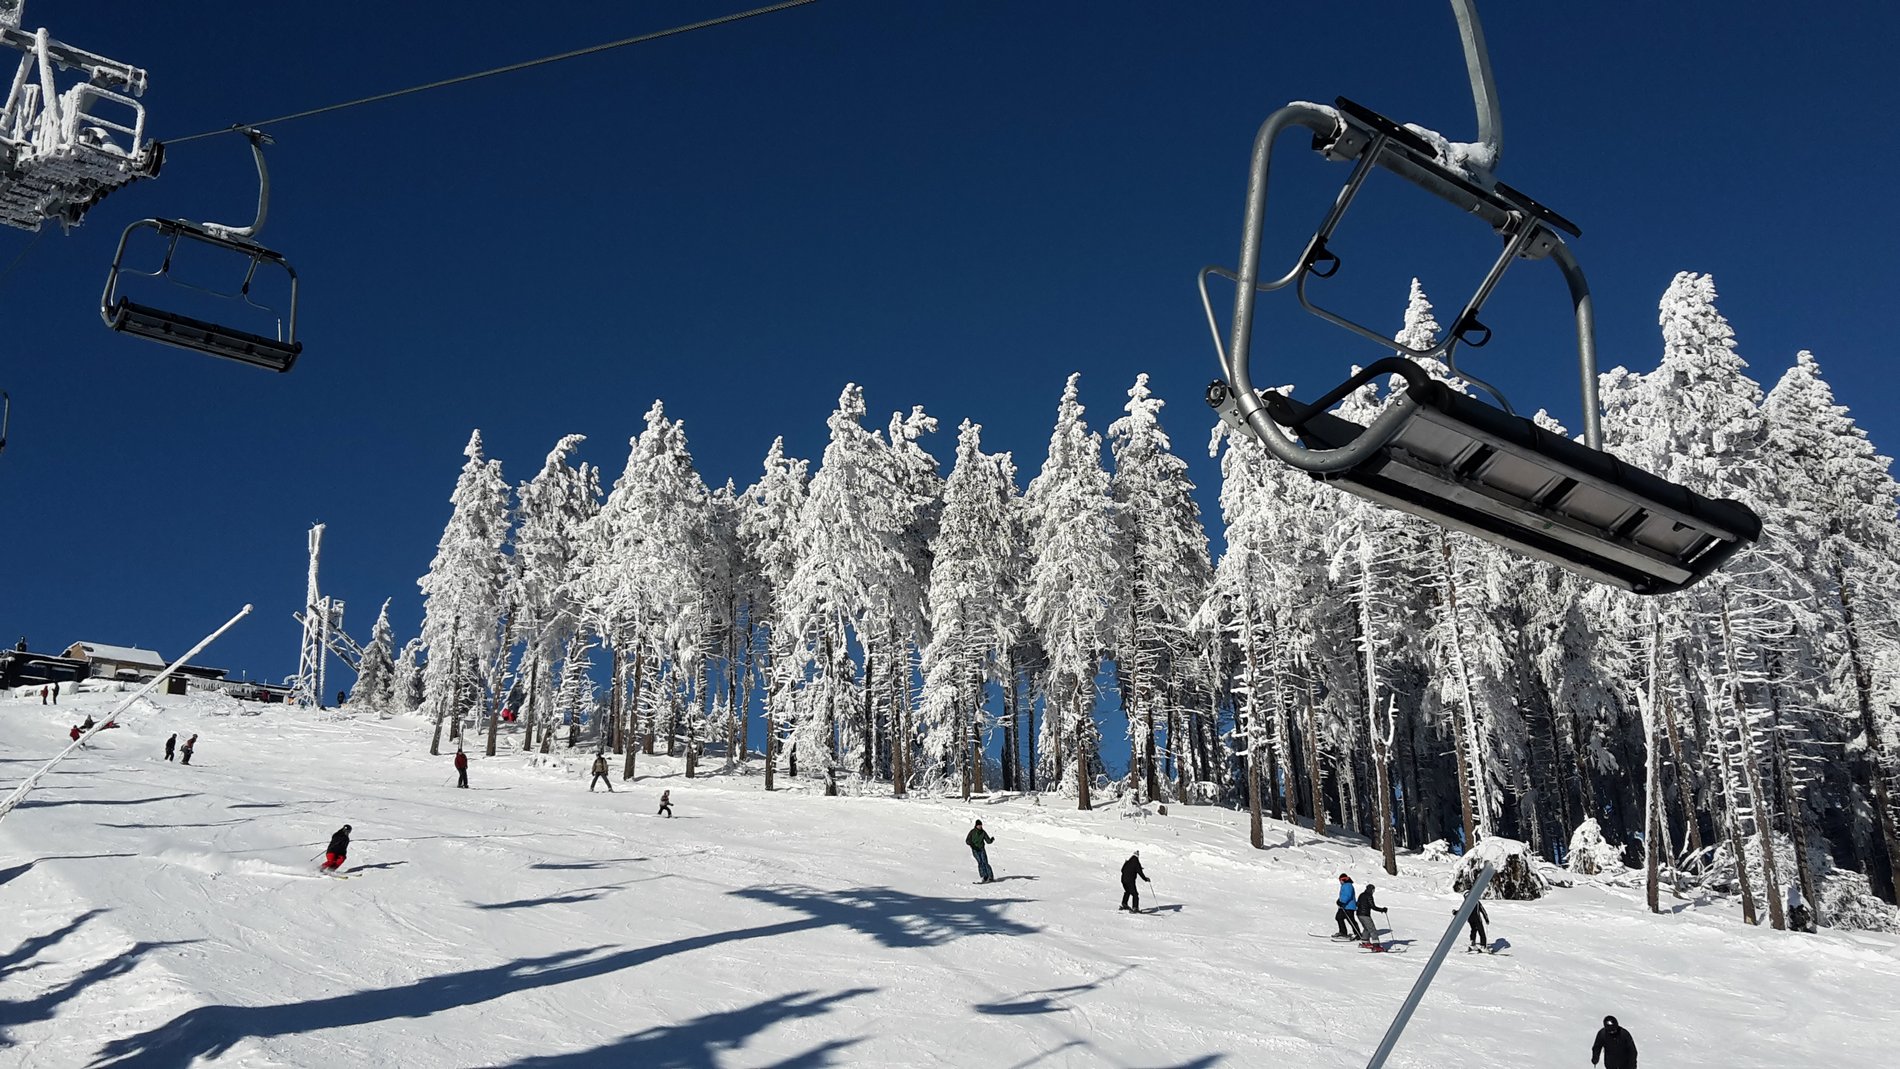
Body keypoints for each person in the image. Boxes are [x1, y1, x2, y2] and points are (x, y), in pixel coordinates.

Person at [1336, 874, 1364, 939]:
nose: (1340, 882)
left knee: (1351, 920)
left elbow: (1348, 895)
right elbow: (1343, 895)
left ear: (1343, 879)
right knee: (1338, 917)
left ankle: (1357, 934)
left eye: (1340, 880)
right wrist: (1339, 901)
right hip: (1344, 906)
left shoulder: (1348, 885)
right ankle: (1343, 932)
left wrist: (1342, 902)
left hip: (1348, 906)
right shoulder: (1345, 885)